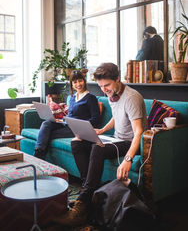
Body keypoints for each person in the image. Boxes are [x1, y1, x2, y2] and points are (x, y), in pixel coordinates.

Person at [54, 62, 148, 227]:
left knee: (98, 147)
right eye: (101, 86)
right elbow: (116, 116)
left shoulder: (132, 97)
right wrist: (102, 130)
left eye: (107, 85)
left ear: (117, 79)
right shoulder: (113, 94)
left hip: (128, 142)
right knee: (77, 143)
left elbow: (138, 132)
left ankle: (83, 203)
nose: (104, 89)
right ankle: (89, 193)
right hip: (115, 138)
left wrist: (128, 159)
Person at [34, 70, 100, 159]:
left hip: (77, 129)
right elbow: (70, 115)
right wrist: (62, 120)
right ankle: (38, 152)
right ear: (72, 84)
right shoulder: (72, 97)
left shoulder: (91, 98)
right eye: (75, 82)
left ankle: (39, 157)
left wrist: (80, 124)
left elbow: (95, 120)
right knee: (46, 124)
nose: (78, 84)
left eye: (80, 81)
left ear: (84, 81)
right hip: (66, 124)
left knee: (47, 135)